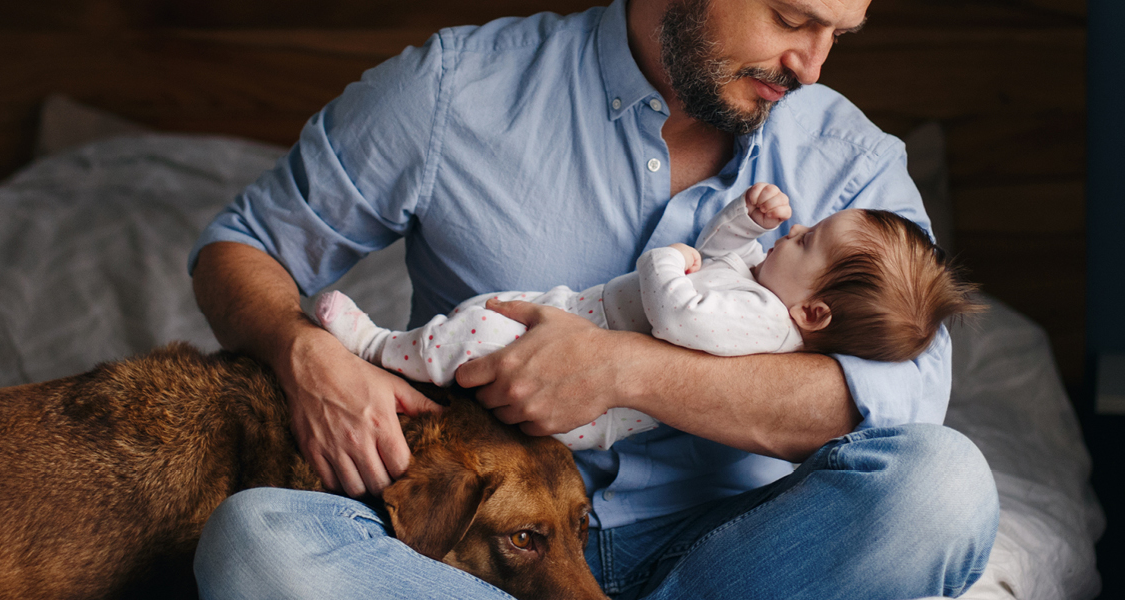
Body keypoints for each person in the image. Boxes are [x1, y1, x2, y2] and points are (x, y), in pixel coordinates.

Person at [186, 0, 1001, 596]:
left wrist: (624, 372)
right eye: (792, 19)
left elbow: (898, 404)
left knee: (944, 486)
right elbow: (240, 246)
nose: (813, 65)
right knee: (258, 543)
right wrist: (306, 356)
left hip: (736, 561)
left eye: (836, 34)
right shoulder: (451, 91)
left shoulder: (851, 162)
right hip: (475, 553)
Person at [312, 183, 982, 451]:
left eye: (806, 241)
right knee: (481, 318)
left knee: (478, 334)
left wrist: (668, 260)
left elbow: (679, 313)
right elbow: (721, 261)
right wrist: (743, 223)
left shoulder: (760, 324)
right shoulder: (764, 294)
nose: (796, 228)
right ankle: (401, 356)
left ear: (813, 311)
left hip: (591, 387)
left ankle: (375, 349)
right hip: (579, 321)